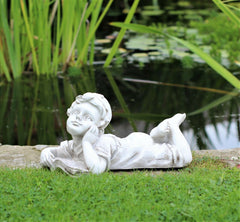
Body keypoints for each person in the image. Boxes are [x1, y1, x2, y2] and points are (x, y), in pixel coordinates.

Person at [40, 92, 192, 175]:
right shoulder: (75, 144)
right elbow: (58, 151)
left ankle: (172, 126)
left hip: (141, 150)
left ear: (99, 124)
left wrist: (87, 143)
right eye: (76, 113)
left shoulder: (101, 143)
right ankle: (158, 133)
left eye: (87, 117)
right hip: (134, 141)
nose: (78, 119)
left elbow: (97, 170)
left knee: (183, 158)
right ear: (69, 113)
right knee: (155, 139)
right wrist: (47, 153)